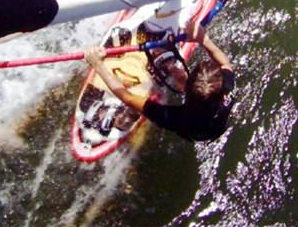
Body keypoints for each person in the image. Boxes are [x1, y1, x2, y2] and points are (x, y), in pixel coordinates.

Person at [84, 17, 235, 142]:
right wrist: (203, 39)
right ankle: (169, 66)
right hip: (214, 120)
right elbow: (225, 64)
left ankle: (168, 68)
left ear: (186, 93)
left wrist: (98, 65)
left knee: (142, 108)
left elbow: (127, 97)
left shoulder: (175, 118)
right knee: (186, 81)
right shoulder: (227, 87)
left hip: (193, 131)